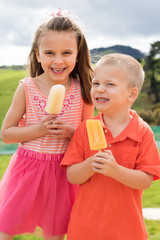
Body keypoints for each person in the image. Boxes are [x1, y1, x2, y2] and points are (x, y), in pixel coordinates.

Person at [0, 9, 94, 240]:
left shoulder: (84, 90)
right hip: (27, 169)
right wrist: (39, 130)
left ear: (77, 55)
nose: (58, 60)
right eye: (50, 52)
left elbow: (89, 136)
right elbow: (6, 134)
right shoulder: (27, 87)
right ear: (38, 55)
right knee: (6, 228)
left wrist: (73, 133)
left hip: (64, 171)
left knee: (55, 232)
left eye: (66, 53)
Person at [61, 53, 160, 240]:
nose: (99, 89)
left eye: (110, 84)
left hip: (127, 230)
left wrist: (115, 170)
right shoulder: (85, 129)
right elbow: (72, 176)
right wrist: (90, 164)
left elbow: (145, 180)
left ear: (132, 93)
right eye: (96, 83)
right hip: (85, 228)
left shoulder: (143, 132)